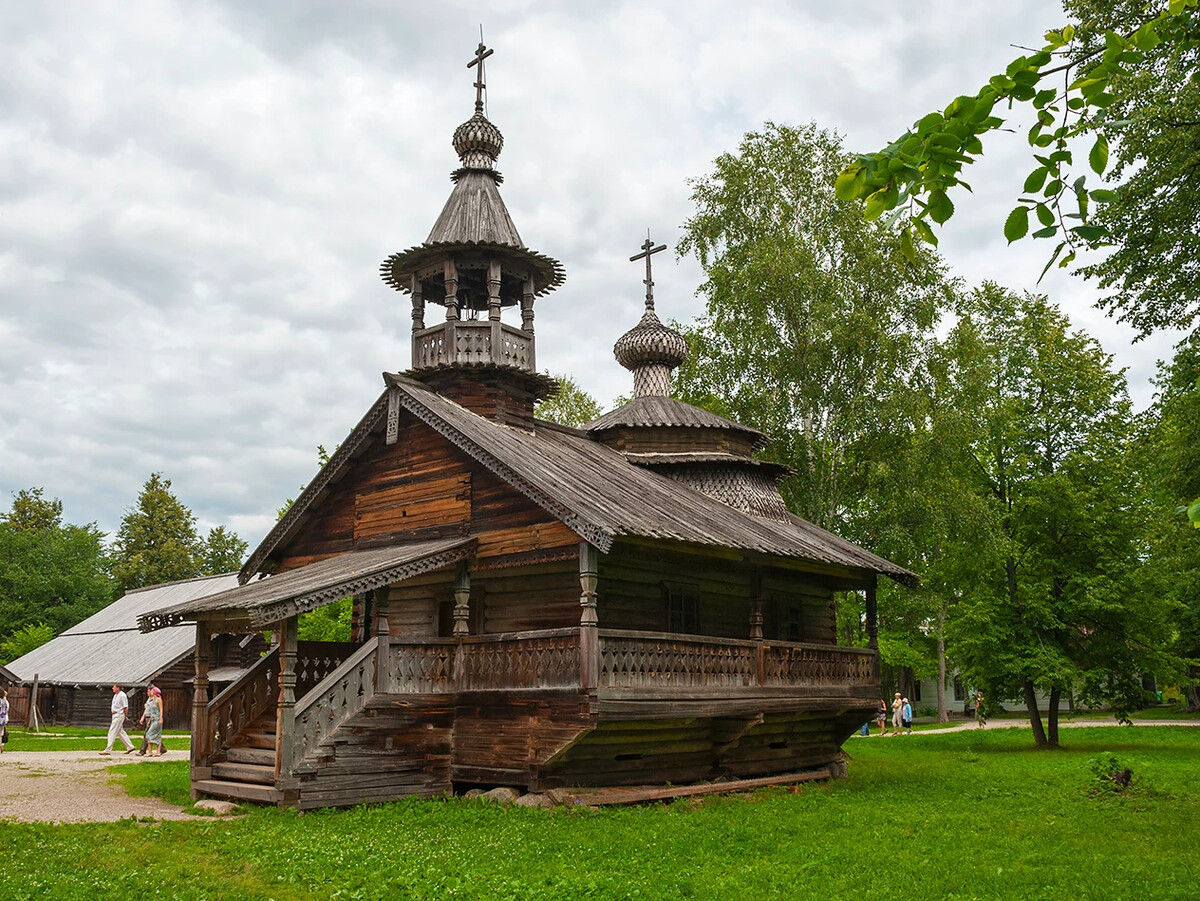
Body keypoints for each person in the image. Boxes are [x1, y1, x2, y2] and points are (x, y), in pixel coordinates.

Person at [101, 683, 135, 755]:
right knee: (120, 732)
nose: (112, 688)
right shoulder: (116, 695)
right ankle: (130, 746)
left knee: (112, 731)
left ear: (118, 688)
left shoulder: (122, 695)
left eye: (114, 687)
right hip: (115, 714)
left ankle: (108, 749)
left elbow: (125, 707)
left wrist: (125, 716)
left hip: (119, 714)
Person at [0, 688, 9, 753]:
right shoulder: (5, 701)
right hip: (2, 719)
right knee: (0, 734)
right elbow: (7, 709)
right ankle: (0, 746)